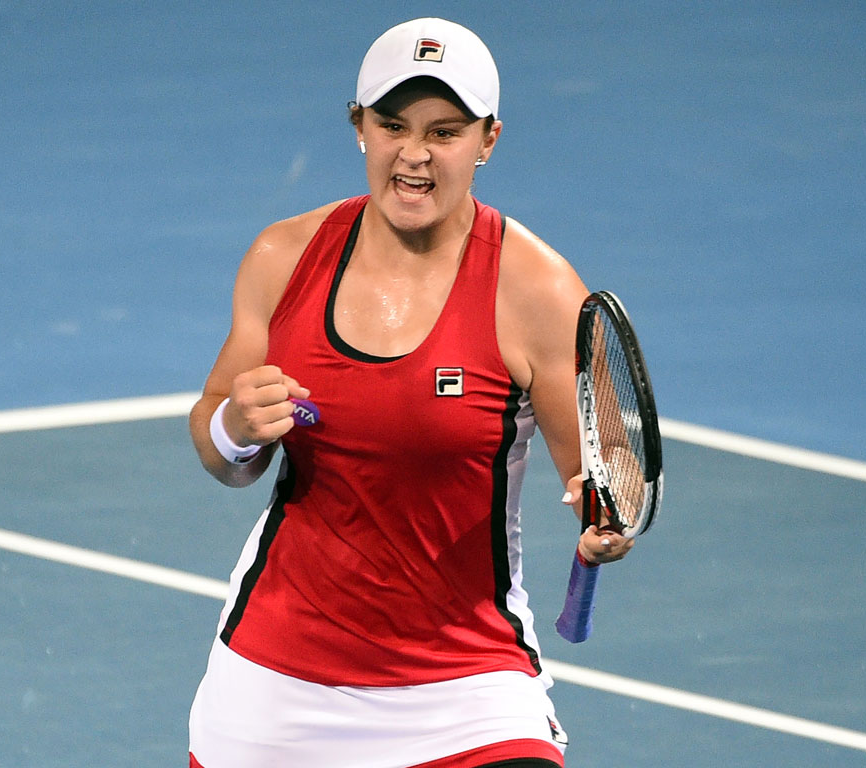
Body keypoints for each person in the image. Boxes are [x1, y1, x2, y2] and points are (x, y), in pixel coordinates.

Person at [187, 17, 633, 768]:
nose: (415, 154)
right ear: (359, 127)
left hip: (467, 689)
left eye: (446, 131)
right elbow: (221, 447)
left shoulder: (538, 291)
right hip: (276, 683)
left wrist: (610, 508)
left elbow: (610, 454)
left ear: (488, 139)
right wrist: (235, 429)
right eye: (393, 125)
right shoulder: (282, 258)